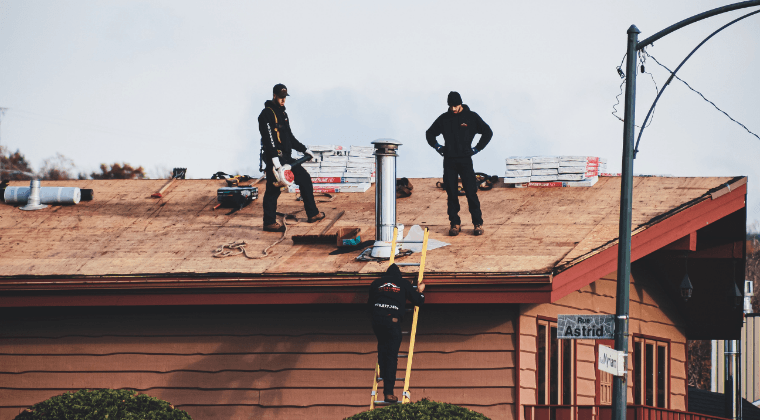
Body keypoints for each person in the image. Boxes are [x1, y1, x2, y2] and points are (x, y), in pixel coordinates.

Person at [258, 83, 325, 232]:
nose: (283, 100)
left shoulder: (283, 114)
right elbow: (268, 138)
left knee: (305, 179)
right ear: (274, 95)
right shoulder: (266, 114)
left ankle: (312, 214)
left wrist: (304, 149)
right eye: (280, 97)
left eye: (285, 97)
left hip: (287, 158)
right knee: (273, 189)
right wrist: (275, 160)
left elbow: (290, 137)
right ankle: (269, 222)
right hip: (274, 159)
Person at [425, 91, 493, 236]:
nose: (453, 109)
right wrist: (438, 147)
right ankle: (455, 223)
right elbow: (429, 133)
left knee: (471, 192)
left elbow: (488, 132)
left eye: (455, 106)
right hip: (449, 160)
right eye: (451, 106)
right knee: (451, 193)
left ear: (460, 103)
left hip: (465, 160)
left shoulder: (471, 117)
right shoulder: (444, 119)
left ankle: (477, 223)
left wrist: (476, 149)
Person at [368, 263, 426, 403]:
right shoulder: (403, 283)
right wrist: (421, 291)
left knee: (382, 348)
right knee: (392, 356)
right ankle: (388, 393)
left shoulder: (375, 283)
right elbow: (418, 301)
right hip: (392, 322)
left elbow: (370, 304)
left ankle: (383, 369)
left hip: (377, 321)